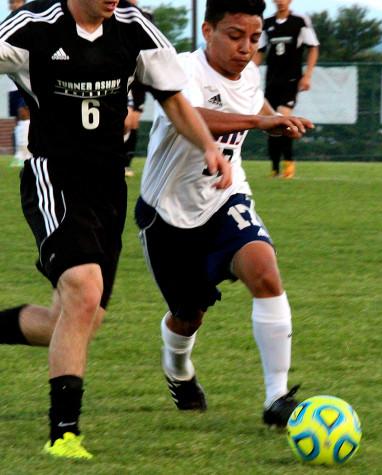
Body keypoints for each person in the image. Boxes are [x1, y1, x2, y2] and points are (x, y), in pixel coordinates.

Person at [0, 0, 231, 460]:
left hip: (107, 187)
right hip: (55, 178)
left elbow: (172, 97)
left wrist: (208, 145)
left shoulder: (133, 27)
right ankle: (63, 434)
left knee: (77, 319)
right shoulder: (34, 27)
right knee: (84, 290)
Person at [135, 0, 313, 428]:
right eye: (234, 36)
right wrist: (257, 121)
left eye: (254, 38)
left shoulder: (250, 72)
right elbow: (189, 117)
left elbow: (254, 102)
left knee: (265, 270)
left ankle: (277, 399)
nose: (246, 48)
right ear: (207, 29)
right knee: (188, 314)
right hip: (168, 214)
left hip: (224, 199)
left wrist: (277, 118)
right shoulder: (179, 69)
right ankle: (179, 371)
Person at [256, 0, 319, 178]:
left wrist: (307, 75)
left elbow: (313, 48)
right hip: (271, 81)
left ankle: (289, 165)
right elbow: (259, 51)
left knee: (283, 119)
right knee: (271, 122)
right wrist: (248, 74)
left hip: (291, 80)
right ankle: (275, 169)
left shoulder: (299, 21)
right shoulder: (266, 23)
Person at [123, 0, 154, 177]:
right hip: (123, 74)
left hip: (139, 78)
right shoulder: (113, 12)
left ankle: (126, 162)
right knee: (124, 120)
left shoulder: (145, 15)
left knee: (133, 121)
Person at [7, 0, 31, 167]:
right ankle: (20, 152)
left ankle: (25, 154)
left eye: (16, 2)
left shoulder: (30, 21)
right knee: (19, 116)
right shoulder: (8, 23)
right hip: (12, 82)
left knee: (25, 113)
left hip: (28, 80)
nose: (13, 5)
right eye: (11, 3)